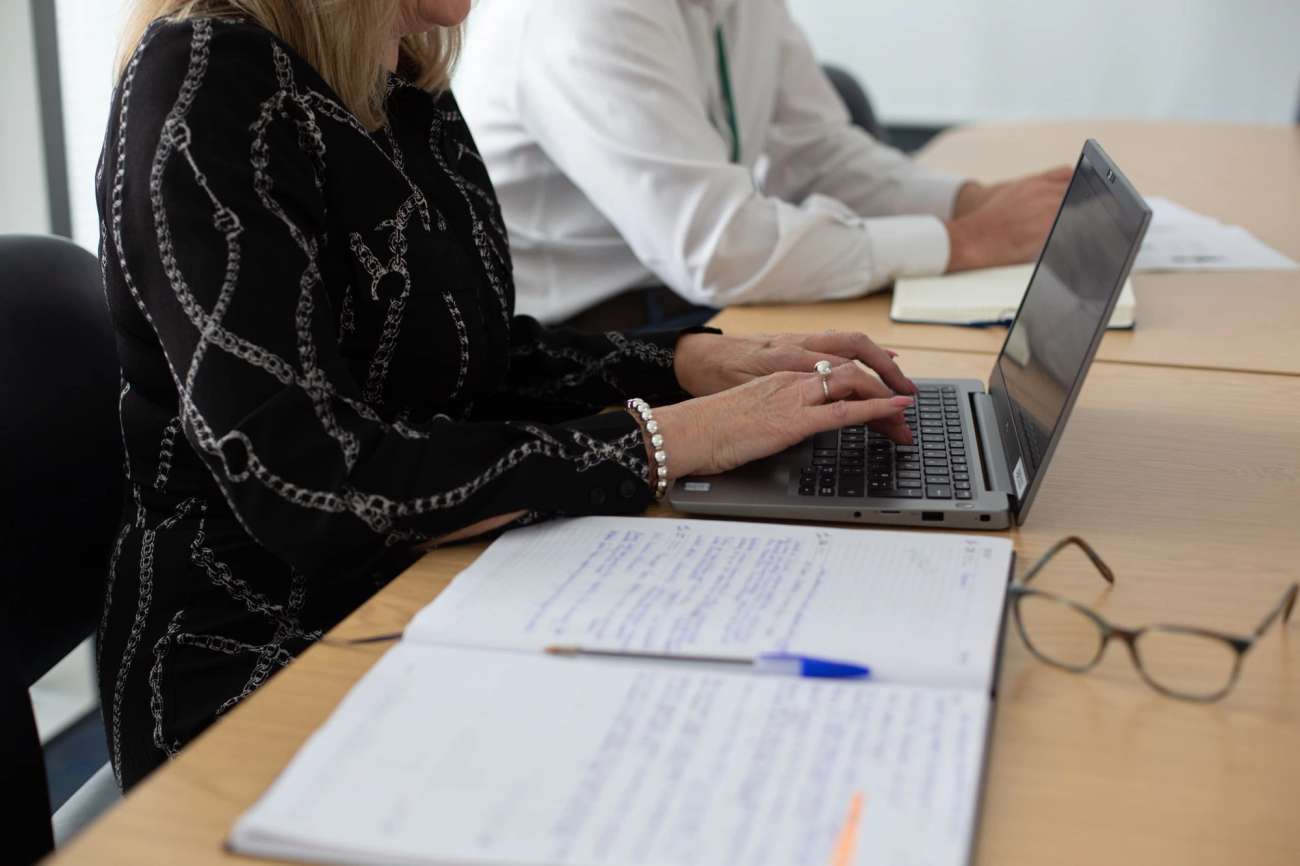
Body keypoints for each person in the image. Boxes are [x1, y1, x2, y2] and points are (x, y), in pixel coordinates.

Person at [97, 0, 918, 790]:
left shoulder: (398, 69)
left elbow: (468, 365)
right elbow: (316, 485)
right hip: (259, 663)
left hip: (434, 587)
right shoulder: (203, 83)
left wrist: (689, 365)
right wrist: (667, 440)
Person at [455, 0, 1072, 331]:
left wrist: (974, 202)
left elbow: (817, 154)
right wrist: (967, 241)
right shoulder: (579, 14)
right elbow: (720, 251)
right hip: (582, 341)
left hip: (691, 302)